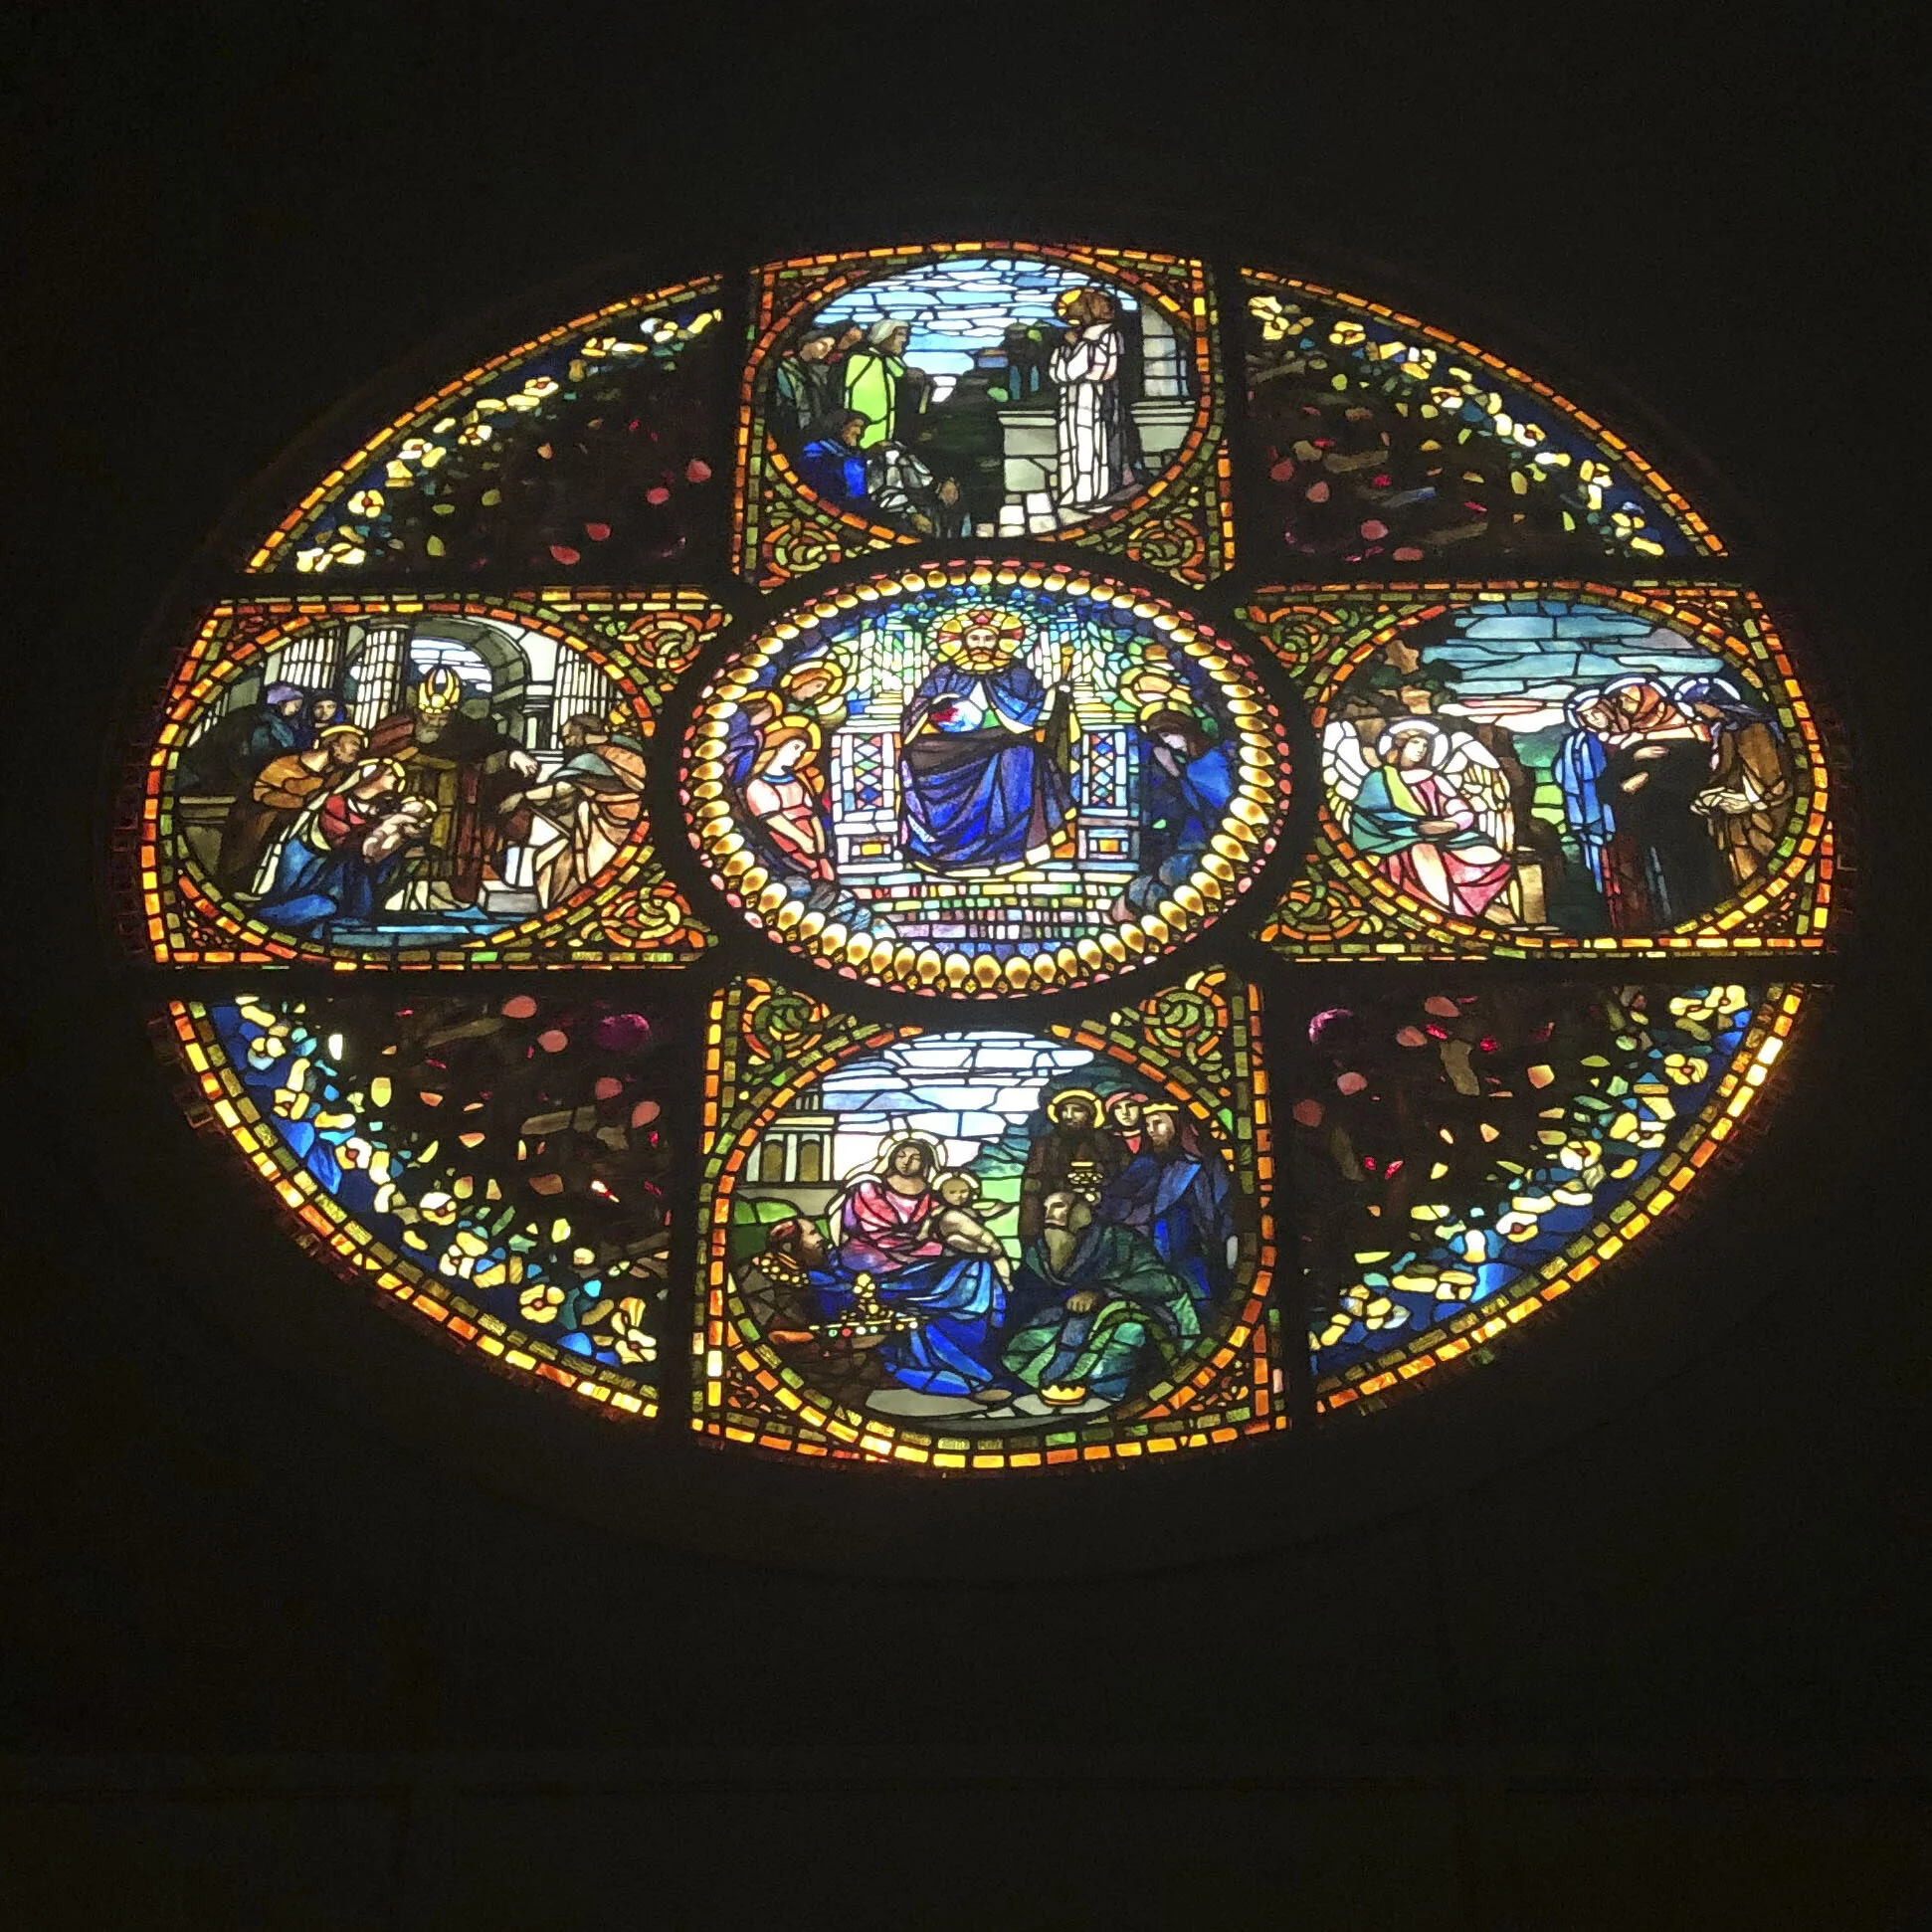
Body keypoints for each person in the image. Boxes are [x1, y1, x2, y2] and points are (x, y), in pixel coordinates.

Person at [898, 615, 1074, 872]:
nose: (981, 644)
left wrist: (1055, 693)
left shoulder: (1015, 671)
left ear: (998, 641)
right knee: (912, 754)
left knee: (1022, 754)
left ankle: (1007, 847)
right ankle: (939, 847)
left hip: (1001, 739)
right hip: (949, 743)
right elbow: (917, 712)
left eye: (988, 638)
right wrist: (936, 706)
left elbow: (1033, 713)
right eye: (975, 638)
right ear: (964, 641)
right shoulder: (945, 673)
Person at [834, 1139, 1006, 1399]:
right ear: (892, 1156)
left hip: (923, 1255)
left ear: (925, 1162)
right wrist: (923, 1246)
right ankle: (956, 1369)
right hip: (872, 1256)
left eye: (915, 1157)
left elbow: (944, 1224)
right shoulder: (869, 1189)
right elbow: (870, 1231)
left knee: (977, 1266)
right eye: (902, 1154)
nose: (907, 1161)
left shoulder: (931, 1196)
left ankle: (979, 1333)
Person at [1001, 1191, 1200, 1406]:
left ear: (1080, 1212)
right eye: (1046, 1208)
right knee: (1026, 1344)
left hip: (1131, 1316)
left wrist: (1105, 1293)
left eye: (1058, 1206)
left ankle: (1107, 1400)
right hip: (1065, 1321)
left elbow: (1164, 1282)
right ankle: (1051, 1385)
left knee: (1128, 1331)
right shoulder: (1038, 1253)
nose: (1049, 1214)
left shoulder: (1119, 1240)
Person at [367, 668, 540, 908]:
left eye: (443, 718)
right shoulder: (395, 729)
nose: (436, 723)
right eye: (430, 717)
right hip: (400, 798)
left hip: (455, 807)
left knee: (448, 854)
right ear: (418, 711)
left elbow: (492, 743)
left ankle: (441, 891)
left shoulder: (464, 729)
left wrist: (513, 753)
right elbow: (376, 757)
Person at [1343, 719, 1513, 921]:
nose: (1421, 749)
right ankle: (1447, 913)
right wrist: (1416, 828)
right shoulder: (1379, 778)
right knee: (1422, 850)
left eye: (1425, 745)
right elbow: (1369, 814)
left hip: (1444, 835)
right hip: (1392, 839)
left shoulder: (1434, 778)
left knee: (1488, 854)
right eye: (1415, 743)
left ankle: (1463, 910)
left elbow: (1461, 809)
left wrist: (1451, 824)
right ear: (1400, 745)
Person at [1596, 677, 1729, 927]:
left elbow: (1697, 776)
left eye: (1628, 700)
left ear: (1650, 701)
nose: (1623, 706)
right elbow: (1606, 787)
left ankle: (1703, 923)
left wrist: (1648, 776)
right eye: (1621, 701)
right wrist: (1634, 759)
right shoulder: (1631, 741)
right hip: (1643, 830)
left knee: (1695, 876)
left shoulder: (1693, 731)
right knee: (1654, 885)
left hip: (1684, 823)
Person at [253, 758, 430, 935]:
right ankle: (264, 920)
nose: (396, 779)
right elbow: (330, 829)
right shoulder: (336, 800)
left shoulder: (382, 811)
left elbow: (370, 850)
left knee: (329, 904)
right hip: (304, 851)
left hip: (338, 870)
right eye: (391, 774)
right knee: (292, 897)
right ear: (373, 775)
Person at [1094, 1103, 1237, 1306]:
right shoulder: (1145, 1164)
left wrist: (1229, 1239)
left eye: (1158, 1122)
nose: (1151, 1130)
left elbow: (1224, 1204)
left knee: (1201, 1302)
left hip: (1196, 1252)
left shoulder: (1206, 1164)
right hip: (1151, 1252)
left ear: (1176, 1124)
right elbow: (1119, 1196)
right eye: (1147, 1125)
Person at [507, 711, 649, 909]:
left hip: (609, 835)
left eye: (568, 737)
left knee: (591, 876)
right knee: (549, 863)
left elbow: (562, 788)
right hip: (613, 828)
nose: (565, 743)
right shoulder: (625, 746)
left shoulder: (592, 759)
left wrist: (522, 797)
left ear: (584, 733)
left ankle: (574, 912)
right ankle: (559, 912)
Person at [217, 721, 367, 894]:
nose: (358, 749)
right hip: (258, 821)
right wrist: (300, 801)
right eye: (354, 743)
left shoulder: (337, 776)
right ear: (333, 744)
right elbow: (262, 794)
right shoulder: (287, 763)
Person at [1676, 675, 1796, 888]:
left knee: (1763, 864)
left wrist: (1751, 800)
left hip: (1762, 814)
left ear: (1715, 703)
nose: (1697, 713)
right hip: (1735, 818)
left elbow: (1771, 777)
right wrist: (1711, 795)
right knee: (1739, 865)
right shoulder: (1724, 732)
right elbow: (1726, 772)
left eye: (1699, 707)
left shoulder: (1755, 729)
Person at [1048, 288, 1130, 512]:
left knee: (1088, 445)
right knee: (1076, 445)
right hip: (1077, 399)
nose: (1106, 308)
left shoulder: (1101, 333)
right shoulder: (1088, 335)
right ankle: (1076, 493)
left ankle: (1089, 494)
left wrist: (1073, 346)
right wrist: (1073, 346)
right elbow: (1061, 372)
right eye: (1099, 303)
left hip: (1092, 398)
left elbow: (1075, 370)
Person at [1019, 1089, 1123, 1245]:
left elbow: (1123, 1180)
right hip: (1055, 1216)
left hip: (1104, 1211)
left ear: (1090, 1115)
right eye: (1064, 1111)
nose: (1068, 1116)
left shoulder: (1110, 1144)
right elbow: (1032, 1183)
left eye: (1077, 1110)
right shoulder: (1045, 1145)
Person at [176, 682, 308, 794]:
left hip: (209, 770)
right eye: (296, 705)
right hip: (214, 773)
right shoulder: (263, 721)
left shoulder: (259, 716)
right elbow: (256, 754)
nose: (297, 710)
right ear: (281, 702)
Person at [742, 726, 834, 882]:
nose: (799, 755)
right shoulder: (758, 785)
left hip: (814, 843)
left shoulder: (796, 781)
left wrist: (821, 845)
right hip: (787, 842)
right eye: (795, 747)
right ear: (777, 747)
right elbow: (774, 819)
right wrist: (803, 841)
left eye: (802, 751)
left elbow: (812, 815)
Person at [842, 320, 919, 450]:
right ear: (884, 335)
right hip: (864, 430)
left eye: (905, 335)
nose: (904, 340)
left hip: (888, 431)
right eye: (900, 334)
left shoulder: (893, 362)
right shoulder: (859, 360)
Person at [773, 328, 843, 444]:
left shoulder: (814, 373)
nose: (826, 349)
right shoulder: (784, 368)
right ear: (807, 343)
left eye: (830, 347)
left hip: (810, 430)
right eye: (823, 344)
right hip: (790, 427)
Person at [797, 411, 872, 506]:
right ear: (839, 427)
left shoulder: (854, 453)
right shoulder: (814, 450)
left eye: (862, 428)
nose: (859, 432)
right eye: (855, 426)